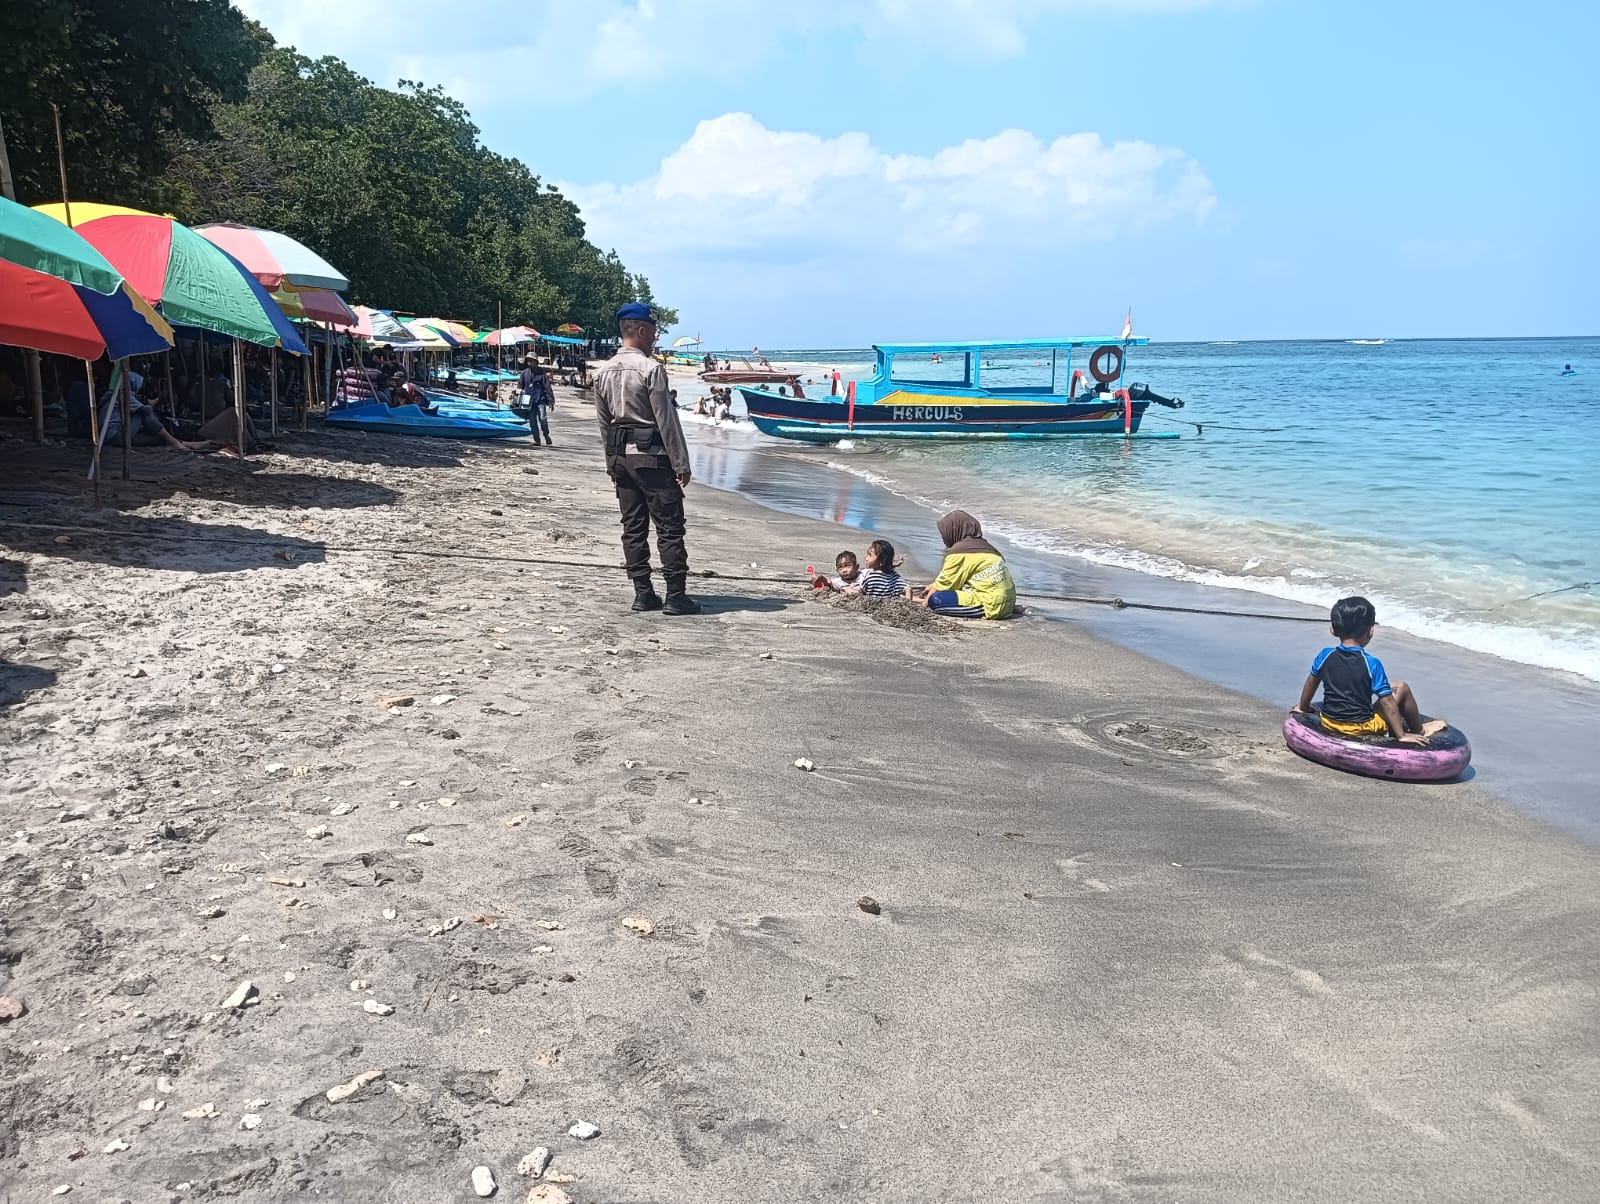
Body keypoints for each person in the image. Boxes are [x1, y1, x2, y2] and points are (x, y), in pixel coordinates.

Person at [593, 302, 699, 615]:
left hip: (621, 459)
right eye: (653, 333)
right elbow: (666, 421)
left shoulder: (602, 373)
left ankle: (643, 593)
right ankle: (676, 597)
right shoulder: (651, 370)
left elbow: (604, 425)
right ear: (642, 331)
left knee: (633, 527)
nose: (655, 340)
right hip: (652, 458)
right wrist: (681, 463)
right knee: (669, 527)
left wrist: (610, 462)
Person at [1291, 596, 1445, 744]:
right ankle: (1419, 730)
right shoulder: (1372, 664)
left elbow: (1311, 682)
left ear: (1333, 629)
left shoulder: (1325, 655)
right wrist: (1401, 735)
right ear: (1370, 631)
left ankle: (1401, 729)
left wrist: (1303, 708)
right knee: (1400, 687)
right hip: (1362, 728)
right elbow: (1387, 701)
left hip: (1329, 722)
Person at [915, 510, 1016, 619]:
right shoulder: (990, 549)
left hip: (989, 604)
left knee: (936, 600)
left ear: (954, 531)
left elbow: (945, 584)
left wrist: (925, 604)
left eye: (944, 533)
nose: (943, 538)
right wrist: (933, 586)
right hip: (1008, 603)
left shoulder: (960, 552)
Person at [518, 354, 555, 444]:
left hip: (540, 400)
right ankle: (536, 439)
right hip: (529, 402)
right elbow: (520, 387)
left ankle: (546, 434)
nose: (529, 363)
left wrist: (551, 401)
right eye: (528, 361)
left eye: (531, 361)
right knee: (532, 421)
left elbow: (547, 387)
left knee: (543, 419)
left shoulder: (542, 374)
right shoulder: (524, 373)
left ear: (536, 362)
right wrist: (516, 396)